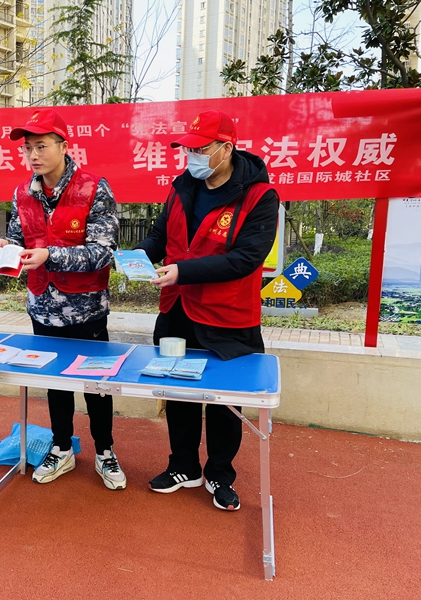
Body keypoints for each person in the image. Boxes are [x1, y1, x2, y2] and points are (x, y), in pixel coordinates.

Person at [136, 110, 279, 511]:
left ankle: (220, 473)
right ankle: (183, 465)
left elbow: (246, 258)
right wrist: (138, 256)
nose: (192, 157)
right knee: (178, 391)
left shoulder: (260, 197)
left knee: (224, 400)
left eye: (200, 149)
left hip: (227, 316)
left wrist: (182, 271)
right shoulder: (182, 186)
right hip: (177, 309)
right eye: (188, 149)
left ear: (226, 149)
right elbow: (160, 236)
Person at [0, 108, 125, 490]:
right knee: (54, 381)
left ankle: (105, 451)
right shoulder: (22, 192)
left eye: (41, 146)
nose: (33, 155)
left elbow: (103, 252)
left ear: (64, 146)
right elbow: (20, 239)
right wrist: (5, 246)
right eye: (27, 148)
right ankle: (62, 447)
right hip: (42, 306)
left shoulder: (94, 187)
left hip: (86, 309)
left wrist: (50, 255)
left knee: (97, 384)